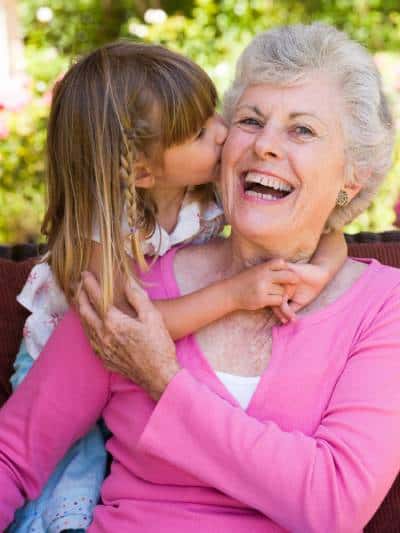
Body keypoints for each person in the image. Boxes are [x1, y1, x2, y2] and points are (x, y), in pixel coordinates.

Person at [1, 22, 395, 531]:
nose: (264, 147)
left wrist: (163, 381)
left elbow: (333, 504)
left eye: (302, 130)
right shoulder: (130, 290)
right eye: (250, 121)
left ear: (351, 178)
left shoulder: (385, 305)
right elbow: (12, 459)